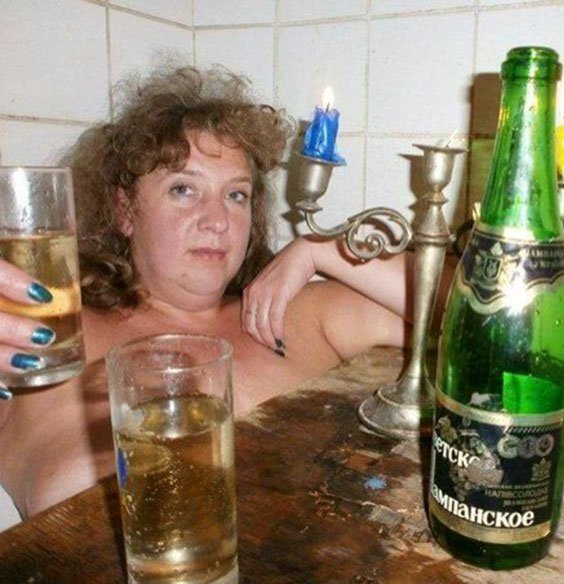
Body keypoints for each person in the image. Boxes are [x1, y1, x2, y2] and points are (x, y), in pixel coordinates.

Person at [0, 66, 455, 518]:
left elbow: (476, 307)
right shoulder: (45, 335)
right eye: (183, 189)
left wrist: (323, 248)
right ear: (124, 210)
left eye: (236, 195)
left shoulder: (295, 316)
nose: (218, 221)